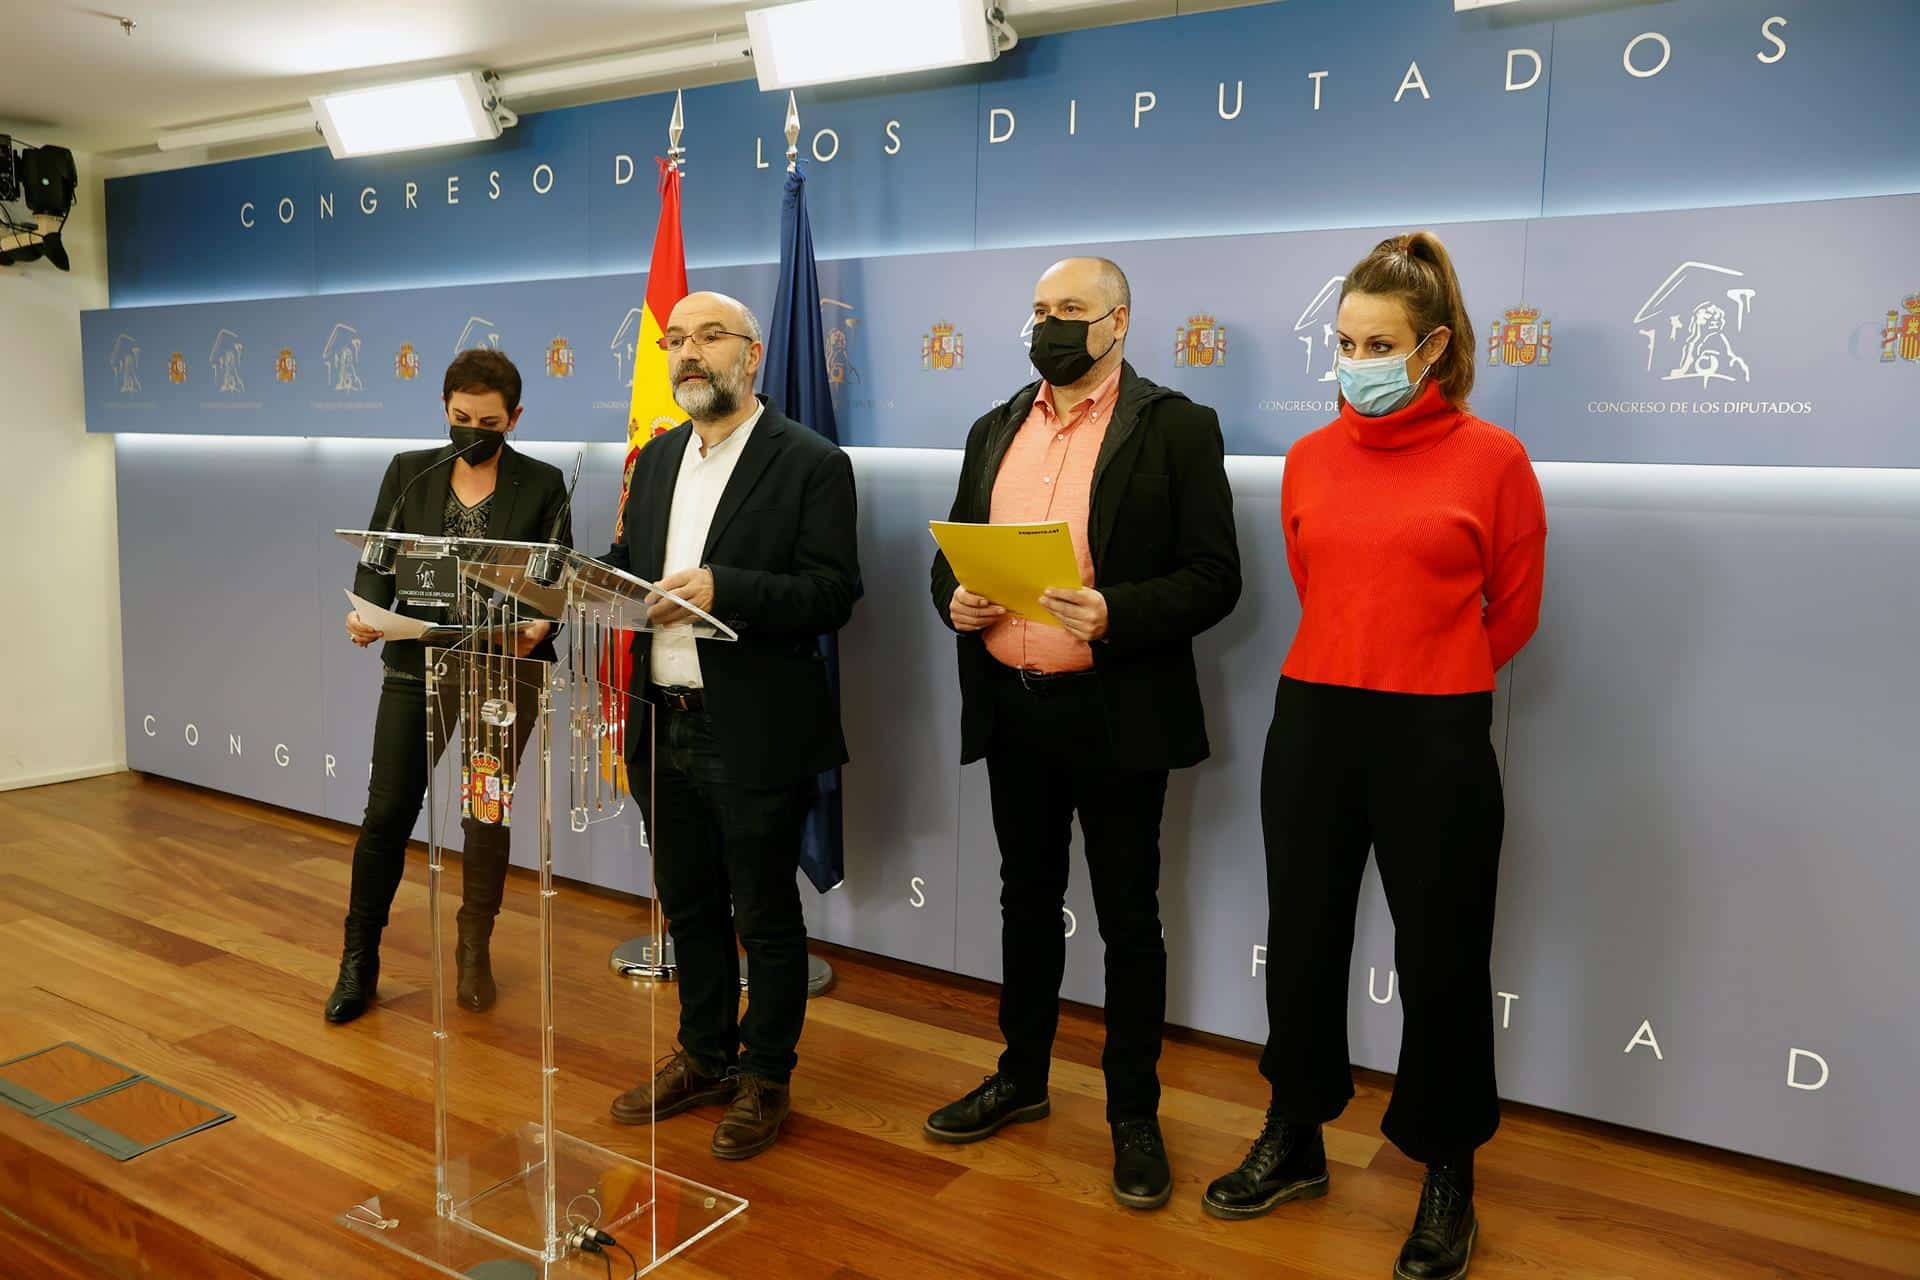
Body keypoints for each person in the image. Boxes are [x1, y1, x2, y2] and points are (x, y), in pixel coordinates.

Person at [1203, 232, 1547, 1280]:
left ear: (1434, 346)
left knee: (1442, 954)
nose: (1357, 357)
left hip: (1435, 729)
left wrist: (1428, 664)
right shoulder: (1310, 458)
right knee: (1302, 936)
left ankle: (1449, 1168)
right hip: (1313, 716)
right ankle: (1295, 1132)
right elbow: (1321, 584)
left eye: (1379, 340)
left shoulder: (1494, 459)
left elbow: (1514, 614)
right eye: (1346, 339)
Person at [924, 258, 1242, 1210]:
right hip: (1013, 704)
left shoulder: (1178, 426)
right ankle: (1021, 1078)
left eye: (1070, 311)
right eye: (1038, 311)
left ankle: (1132, 1114)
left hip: (1116, 710)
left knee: (1129, 920)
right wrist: (957, 602)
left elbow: (1215, 576)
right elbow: (950, 561)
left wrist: (1116, 612)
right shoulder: (993, 427)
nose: (1050, 325)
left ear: (1119, 323)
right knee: (1027, 901)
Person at [602, 292, 861, 1161]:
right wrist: (570, 585)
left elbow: (834, 593)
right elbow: (631, 571)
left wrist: (729, 588)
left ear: (751, 354)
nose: (687, 354)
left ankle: (766, 1076)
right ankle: (705, 1055)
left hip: (751, 726)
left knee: (765, 913)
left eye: (708, 337)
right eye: (675, 339)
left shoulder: (812, 461)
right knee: (689, 906)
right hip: (659, 720)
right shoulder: (657, 458)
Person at [326, 349, 574, 1023]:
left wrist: (537, 625)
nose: (472, 430)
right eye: (460, 417)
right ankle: (358, 958)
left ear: (514, 418)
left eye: (488, 421)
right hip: (416, 667)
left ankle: (473, 951)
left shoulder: (545, 484)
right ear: (444, 408)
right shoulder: (410, 471)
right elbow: (378, 557)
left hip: (503, 674)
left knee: (485, 812)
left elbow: (552, 582)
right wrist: (364, 613)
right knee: (386, 811)